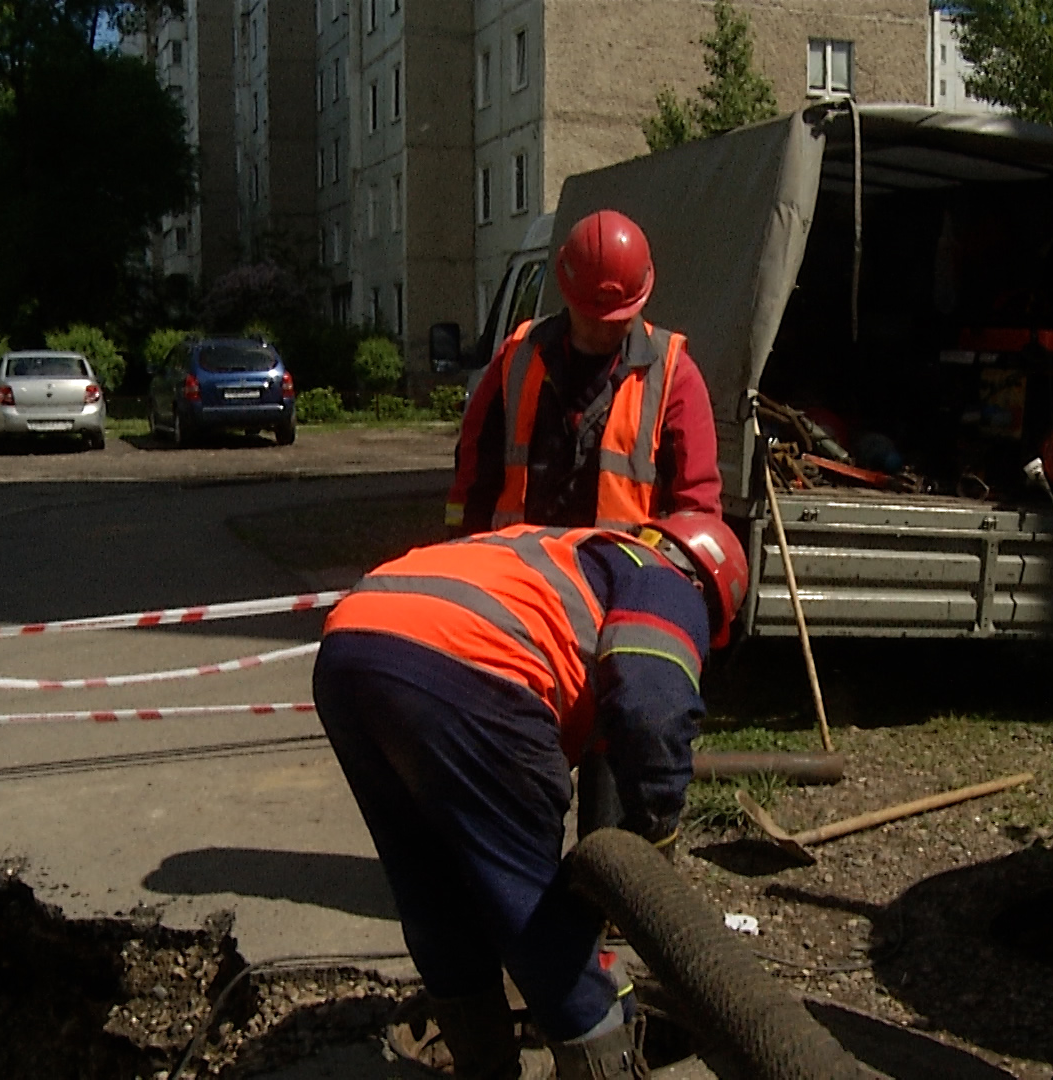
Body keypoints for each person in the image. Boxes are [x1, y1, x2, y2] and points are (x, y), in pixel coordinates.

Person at [312, 511, 749, 1079]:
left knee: (430, 884)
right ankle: (607, 1064)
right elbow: (650, 706)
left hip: (351, 648)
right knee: (532, 904)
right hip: (474, 666)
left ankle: (480, 1062)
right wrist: (656, 831)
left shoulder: (565, 551)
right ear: (710, 595)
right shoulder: (666, 580)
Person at [446, 209, 723, 535]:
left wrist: (669, 576)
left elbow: (696, 506)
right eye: (596, 318)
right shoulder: (518, 356)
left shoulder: (673, 375)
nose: (607, 331)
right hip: (524, 570)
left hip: (620, 578)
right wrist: (463, 551)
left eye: (620, 318)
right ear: (567, 291)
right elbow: (474, 475)